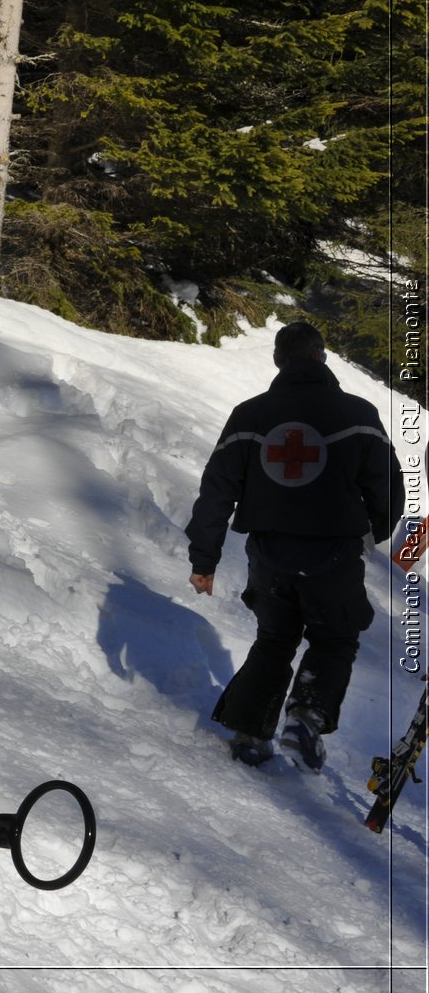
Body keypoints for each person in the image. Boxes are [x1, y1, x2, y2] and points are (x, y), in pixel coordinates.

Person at [185, 322, 404, 770]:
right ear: (322, 358)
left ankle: (249, 734)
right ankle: (306, 713)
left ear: (278, 361)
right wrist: (370, 532)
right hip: (334, 553)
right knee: (335, 638)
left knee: (274, 639)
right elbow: (389, 486)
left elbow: (217, 490)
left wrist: (204, 558)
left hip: (269, 555)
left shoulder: (249, 415)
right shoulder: (357, 413)